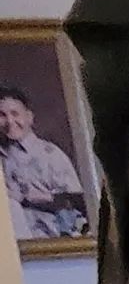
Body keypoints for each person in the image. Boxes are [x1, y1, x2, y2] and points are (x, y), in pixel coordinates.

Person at [0, 84, 86, 238]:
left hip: (50, 244)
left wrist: (35, 198)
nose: (10, 121)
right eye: (2, 115)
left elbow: (77, 201)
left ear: (29, 117)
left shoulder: (50, 155)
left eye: (15, 114)